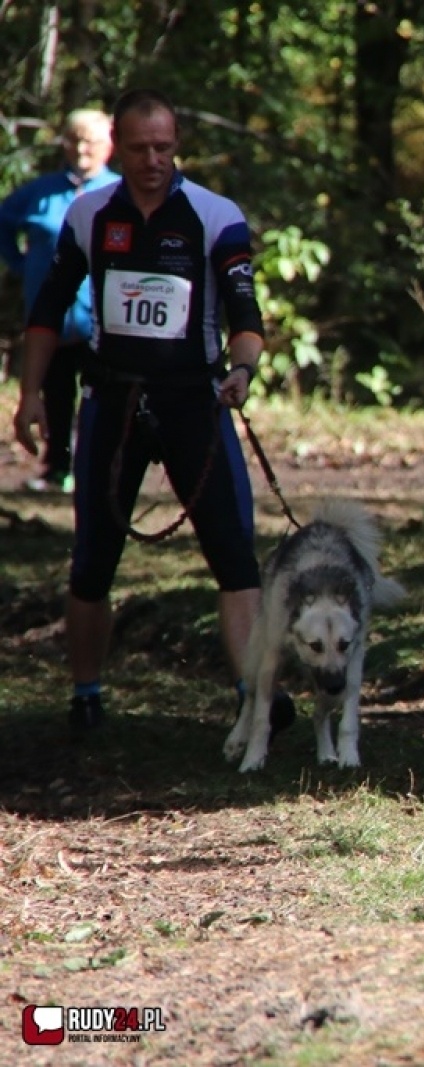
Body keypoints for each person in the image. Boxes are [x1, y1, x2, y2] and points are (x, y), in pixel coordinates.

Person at [11, 89, 273, 737]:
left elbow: (247, 320)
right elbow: (46, 313)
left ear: (177, 140)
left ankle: (252, 697)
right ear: (117, 148)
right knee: (93, 559)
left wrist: (241, 371)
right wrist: (31, 394)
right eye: (139, 148)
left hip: (195, 402)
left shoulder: (215, 216)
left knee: (234, 554)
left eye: (164, 146)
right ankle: (86, 695)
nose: (153, 159)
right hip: (112, 400)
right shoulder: (88, 214)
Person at [1, 108, 118, 492]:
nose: (83, 148)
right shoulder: (41, 192)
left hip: (103, 318)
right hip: (50, 316)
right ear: (64, 143)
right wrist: (19, 263)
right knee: (55, 392)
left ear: (109, 145)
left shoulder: (121, 191)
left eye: (91, 140)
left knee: (105, 396)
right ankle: (56, 466)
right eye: (75, 139)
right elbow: (4, 221)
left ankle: (102, 468)